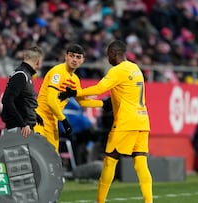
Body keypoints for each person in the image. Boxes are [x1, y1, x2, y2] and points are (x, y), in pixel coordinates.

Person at [58, 40, 153, 203]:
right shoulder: (135, 68)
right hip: (143, 120)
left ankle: (100, 201)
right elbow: (117, 95)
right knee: (140, 163)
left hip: (126, 122)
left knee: (109, 161)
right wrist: (103, 102)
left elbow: (99, 88)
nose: (107, 57)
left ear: (114, 53)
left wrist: (75, 92)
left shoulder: (118, 70)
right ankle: (149, 201)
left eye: (108, 54)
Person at [34, 44, 104, 152]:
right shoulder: (57, 72)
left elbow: (82, 103)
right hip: (40, 118)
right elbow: (51, 100)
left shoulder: (75, 79)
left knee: (52, 158)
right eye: (72, 56)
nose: (74, 60)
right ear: (66, 56)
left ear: (83, 60)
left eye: (78, 57)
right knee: (38, 153)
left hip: (53, 122)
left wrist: (104, 104)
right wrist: (64, 120)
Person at [1, 46, 44, 137]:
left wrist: (35, 116)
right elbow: (7, 100)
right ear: (38, 61)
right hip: (20, 129)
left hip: (23, 127)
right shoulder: (21, 75)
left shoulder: (24, 74)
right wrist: (22, 124)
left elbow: (21, 101)